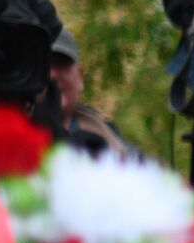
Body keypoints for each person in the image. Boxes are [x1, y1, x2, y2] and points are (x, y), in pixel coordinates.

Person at [48, 26, 137, 156]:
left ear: (80, 76)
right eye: (44, 65)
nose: (53, 74)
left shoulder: (120, 151)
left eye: (62, 63)